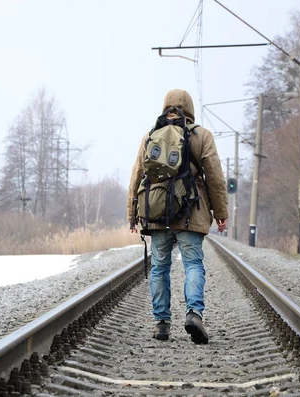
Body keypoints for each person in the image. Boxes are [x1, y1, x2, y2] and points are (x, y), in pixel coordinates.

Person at [127, 89, 228, 344]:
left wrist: (132, 215)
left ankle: (161, 323)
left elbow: (137, 175)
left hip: (157, 213)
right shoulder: (201, 135)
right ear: (191, 108)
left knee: (160, 266)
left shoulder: (151, 134)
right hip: (190, 213)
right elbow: (214, 176)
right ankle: (194, 313)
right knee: (193, 264)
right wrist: (220, 213)